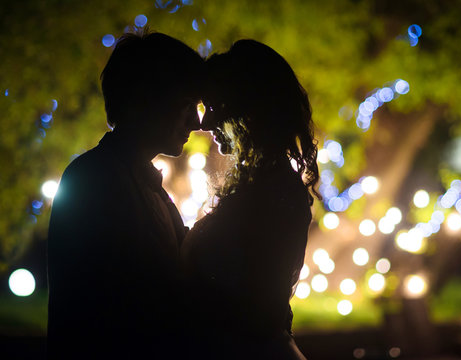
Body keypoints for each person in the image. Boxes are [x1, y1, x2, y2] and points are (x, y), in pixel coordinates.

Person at [47, 29, 203, 359]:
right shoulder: (95, 181)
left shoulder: (136, 181)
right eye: (187, 104)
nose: (197, 121)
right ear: (148, 97)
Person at [181, 39, 319, 359]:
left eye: (216, 106)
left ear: (248, 110)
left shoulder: (274, 195)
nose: (204, 122)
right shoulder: (260, 187)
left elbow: (259, 315)